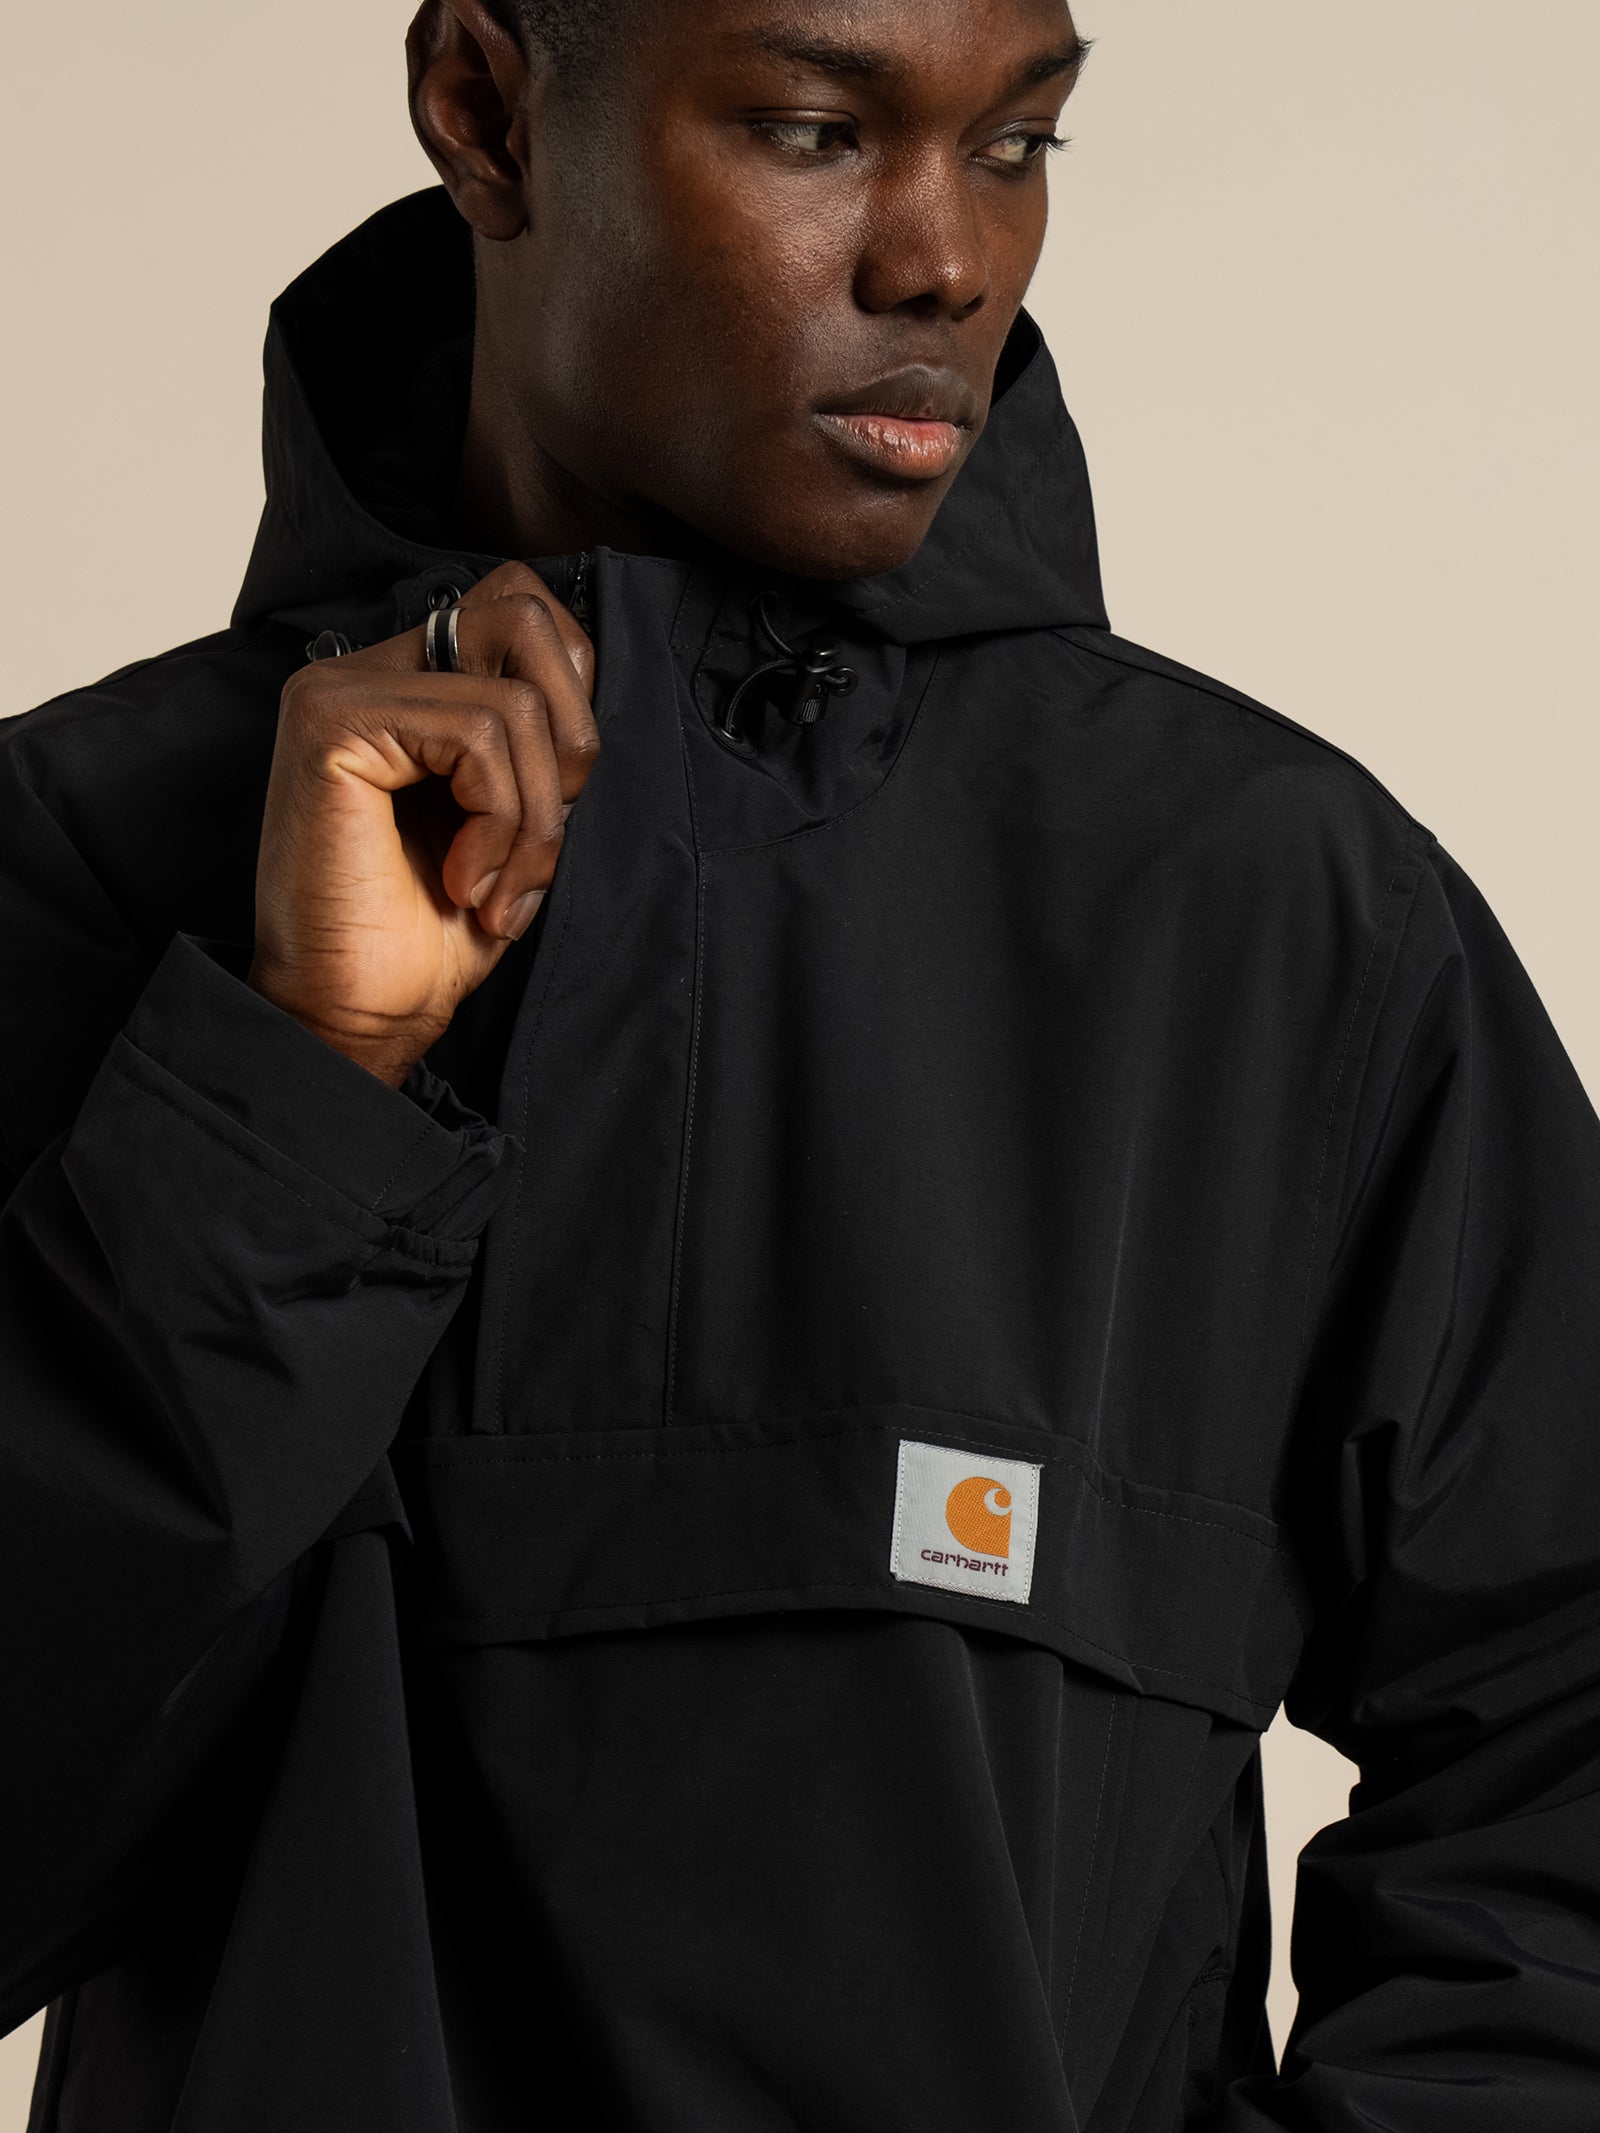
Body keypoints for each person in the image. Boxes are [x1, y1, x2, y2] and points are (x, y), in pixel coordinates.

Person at [3, 0, 1598, 2125]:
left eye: (1018, 143)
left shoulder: (1271, 915)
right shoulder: (86, 864)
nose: (944, 258)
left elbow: (1562, 1763)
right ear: (486, 115)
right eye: (813, 127)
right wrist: (296, 1084)